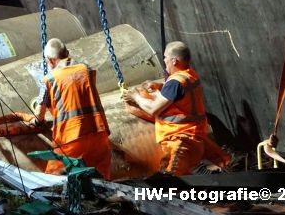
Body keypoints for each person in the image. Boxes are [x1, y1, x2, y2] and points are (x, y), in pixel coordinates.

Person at [123, 41, 230, 176]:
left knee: (173, 178)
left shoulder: (175, 83)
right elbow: (180, 96)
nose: (164, 60)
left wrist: (136, 97)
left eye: (166, 57)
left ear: (174, 60)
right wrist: (161, 87)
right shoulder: (189, 74)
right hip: (194, 135)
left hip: (181, 139)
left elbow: (153, 109)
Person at [34, 38, 111, 179]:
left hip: (70, 137)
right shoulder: (86, 69)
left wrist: (37, 122)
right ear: (67, 53)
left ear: (50, 60)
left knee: (56, 179)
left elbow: (39, 113)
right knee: (101, 179)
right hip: (98, 131)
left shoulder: (49, 79)